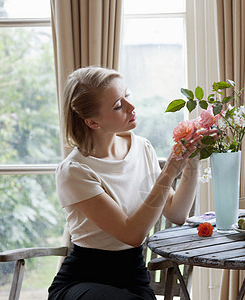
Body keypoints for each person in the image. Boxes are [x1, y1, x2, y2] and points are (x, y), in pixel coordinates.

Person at [48, 66, 212, 300]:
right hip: (83, 280)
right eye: (118, 105)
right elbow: (132, 234)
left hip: (134, 277)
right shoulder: (74, 171)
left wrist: (193, 159)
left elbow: (177, 213)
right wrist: (170, 170)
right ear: (93, 122)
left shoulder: (142, 147)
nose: (131, 107)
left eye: (127, 95)